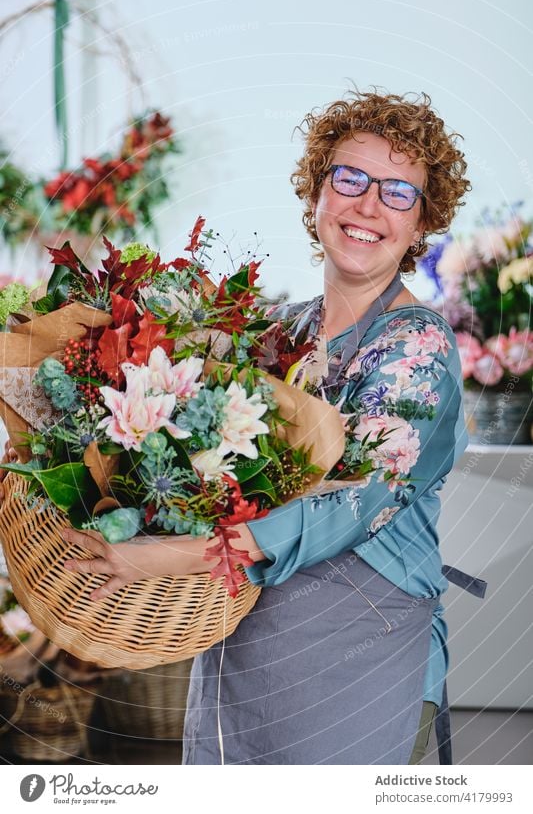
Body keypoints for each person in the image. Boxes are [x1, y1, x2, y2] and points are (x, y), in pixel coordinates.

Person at [1, 88, 481, 765]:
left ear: (421, 221)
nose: (368, 204)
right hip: (244, 644)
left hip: (358, 645)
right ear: (316, 195)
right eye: (349, 178)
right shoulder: (278, 333)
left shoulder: (417, 344)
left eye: (397, 191)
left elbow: (361, 498)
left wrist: (184, 554)